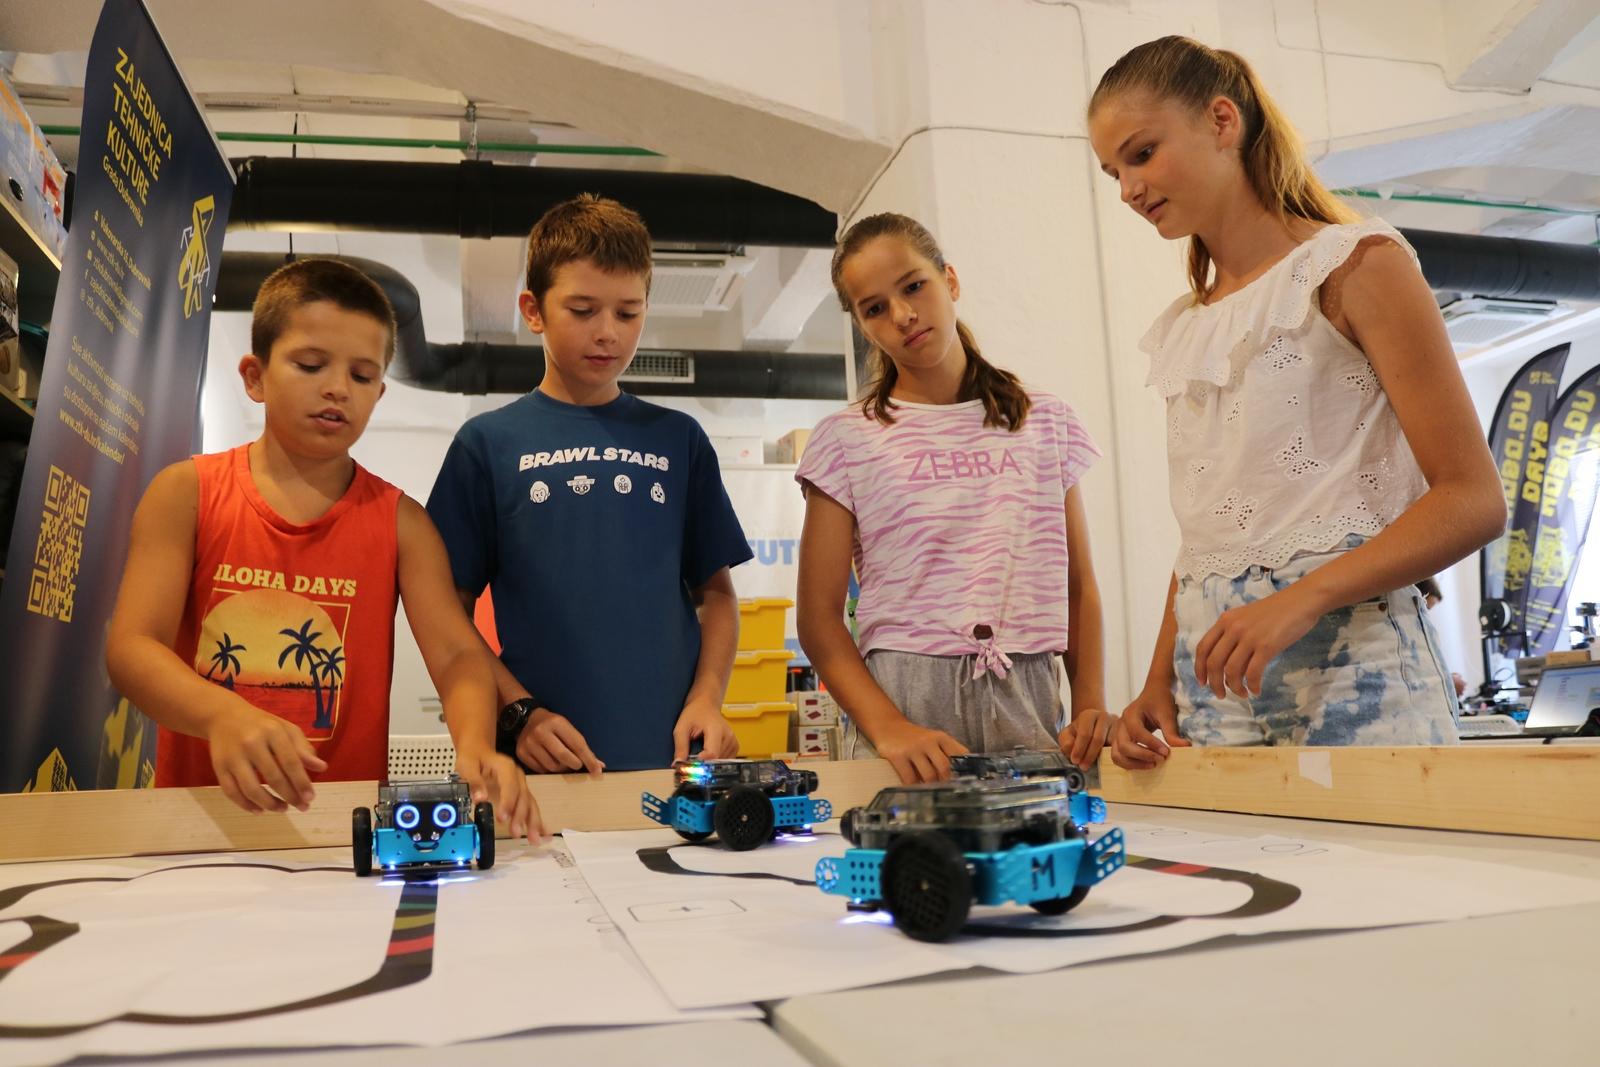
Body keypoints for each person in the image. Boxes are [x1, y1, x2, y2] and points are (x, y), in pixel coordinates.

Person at [1086, 36, 1503, 767]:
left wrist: (1301, 597)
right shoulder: (1186, 327)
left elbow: (1473, 499)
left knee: (1388, 847)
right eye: (1113, 172)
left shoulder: (1355, 266)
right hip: (1212, 677)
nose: (1127, 188)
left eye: (1141, 154)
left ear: (1222, 121)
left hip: (1354, 661)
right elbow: (1210, 535)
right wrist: (1158, 678)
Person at [107, 259, 540, 840]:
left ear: (378, 394)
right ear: (255, 377)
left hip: (344, 832)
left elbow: (458, 655)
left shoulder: (403, 523)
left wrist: (476, 746)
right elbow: (132, 647)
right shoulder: (186, 492)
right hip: (201, 828)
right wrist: (222, 714)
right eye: (311, 365)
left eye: (361, 376)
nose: (338, 387)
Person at [426, 194, 753, 773]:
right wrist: (516, 712)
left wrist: (708, 698)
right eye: (582, 310)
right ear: (533, 310)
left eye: (627, 314)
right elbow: (444, 612)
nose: (607, 333)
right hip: (543, 765)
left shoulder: (679, 438)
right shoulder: (486, 444)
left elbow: (718, 595)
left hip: (671, 762)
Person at [795, 212, 1108, 785]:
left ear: (950, 280)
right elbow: (818, 619)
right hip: (904, 699)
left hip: (1028, 688)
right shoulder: (846, 439)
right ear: (863, 326)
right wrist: (889, 727)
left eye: (914, 286)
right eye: (875, 308)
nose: (902, 315)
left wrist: (1089, 702)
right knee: (906, 846)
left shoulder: (1045, 421)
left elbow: (1077, 585)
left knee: (1038, 842)